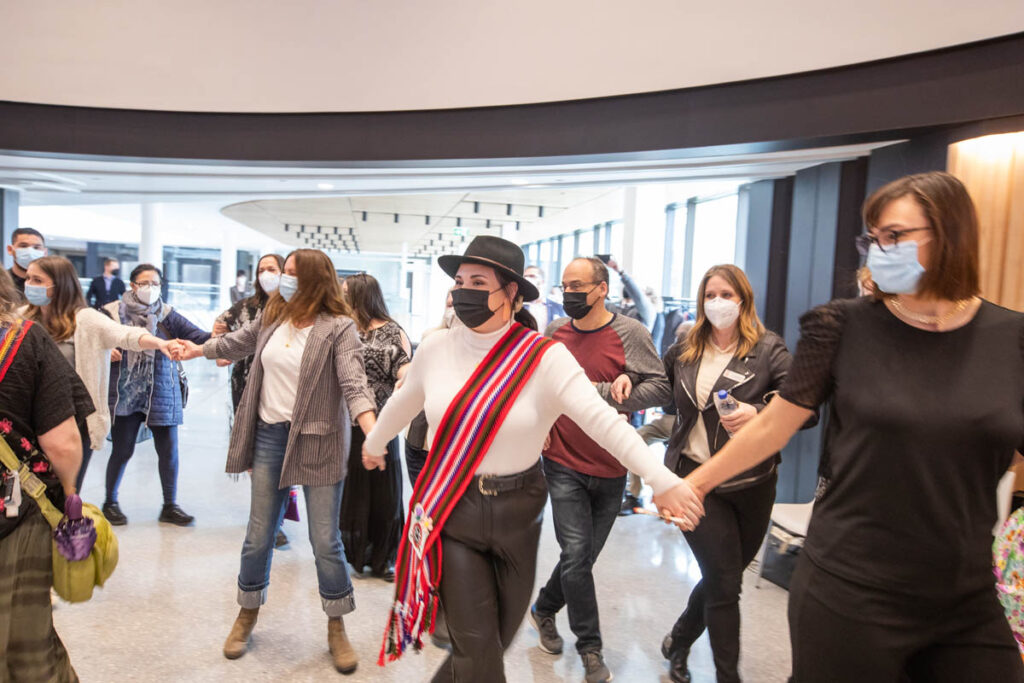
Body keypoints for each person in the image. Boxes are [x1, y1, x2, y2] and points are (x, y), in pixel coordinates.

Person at [681, 172, 1024, 682]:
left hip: (964, 590)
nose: (878, 251)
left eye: (895, 237)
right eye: (874, 238)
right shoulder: (844, 325)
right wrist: (693, 484)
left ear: (949, 234)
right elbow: (776, 424)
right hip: (851, 586)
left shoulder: (1011, 338)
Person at [361, 235, 703, 683]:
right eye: (459, 281)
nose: (463, 290)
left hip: (519, 512)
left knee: (492, 641)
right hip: (452, 508)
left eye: (478, 281)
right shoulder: (436, 349)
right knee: (478, 646)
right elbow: (405, 401)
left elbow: (605, 422)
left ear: (512, 293)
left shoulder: (543, 359)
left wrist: (660, 478)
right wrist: (374, 442)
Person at [175, 248, 378, 673]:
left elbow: (354, 382)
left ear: (315, 281)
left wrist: (371, 431)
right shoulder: (272, 316)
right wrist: (196, 351)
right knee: (258, 533)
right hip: (270, 435)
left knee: (325, 540)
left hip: (319, 439)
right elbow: (235, 342)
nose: (283, 280)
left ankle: (336, 623)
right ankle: (247, 611)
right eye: (282, 272)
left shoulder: (339, 328)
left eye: (291, 274)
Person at [659, 264, 807, 683]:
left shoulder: (768, 349)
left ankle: (680, 637)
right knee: (725, 584)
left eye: (726, 294)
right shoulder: (685, 347)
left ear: (743, 300)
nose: (717, 302)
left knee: (723, 576)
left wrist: (758, 412)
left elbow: (802, 409)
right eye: (710, 294)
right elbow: (665, 397)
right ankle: (728, 676)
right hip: (694, 482)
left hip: (751, 482)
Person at [529, 256, 672, 682]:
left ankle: (544, 607)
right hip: (563, 461)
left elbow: (660, 386)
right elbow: (540, 387)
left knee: (582, 557)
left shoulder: (630, 332)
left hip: (611, 463)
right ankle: (591, 649)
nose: (569, 293)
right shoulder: (556, 334)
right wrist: (541, 426)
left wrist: (619, 394)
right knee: (576, 555)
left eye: (578, 286)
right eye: (565, 286)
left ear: (601, 289)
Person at [0, 266, 93, 682]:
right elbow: (63, 442)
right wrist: (69, 493)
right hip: (13, 516)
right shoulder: (24, 341)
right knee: (26, 641)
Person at [20, 256, 179, 492]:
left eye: (37, 280)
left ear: (60, 284)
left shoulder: (85, 319)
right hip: (25, 420)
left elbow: (126, 334)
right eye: (28, 278)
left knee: (65, 493)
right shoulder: (20, 317)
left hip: (71, 422)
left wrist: (159, 344)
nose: (29, 285)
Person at [102, 264, 210, 527]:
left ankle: (170, 506)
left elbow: (199, 336)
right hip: (125, 393)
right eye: (144, 282)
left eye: (155, 283)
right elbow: (93, 338)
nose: (150, 288)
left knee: (169, 450)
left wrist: (223, 335)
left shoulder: (167, 314)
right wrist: (106, 349)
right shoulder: (111, 312)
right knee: (122, 448)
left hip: (161, 391)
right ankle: (110, 503)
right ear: (132, 285)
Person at [338, 273, 410, 581]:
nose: (340, 298)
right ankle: (355, 553)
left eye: (345, 293)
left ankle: (386, 557)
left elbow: (407, 368)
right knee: (353, 490)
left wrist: (406, 379)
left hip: (384, 421)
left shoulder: (394, 330)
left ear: (361, 296)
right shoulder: (342, 329)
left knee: (385, 491)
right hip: (348, 421)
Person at [213, 255, 285, 413]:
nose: (266, 274)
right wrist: (221, 352)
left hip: (280, 381)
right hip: (245, 377)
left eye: (271, 269)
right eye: (261, 270)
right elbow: (221, 322)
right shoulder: (247, 305)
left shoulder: (292, 305)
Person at [523, 265, 564, 330]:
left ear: (542, 281)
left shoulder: (557, 307)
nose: (527, 279)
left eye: (532, 276)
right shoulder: (520, 307)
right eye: (525, 277)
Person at [7, 227, 47, 294]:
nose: (30, 252)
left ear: (45, 253)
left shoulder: (52, 282)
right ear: (10, 250)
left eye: (36, 247)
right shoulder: (3, 282)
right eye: (23, 246)